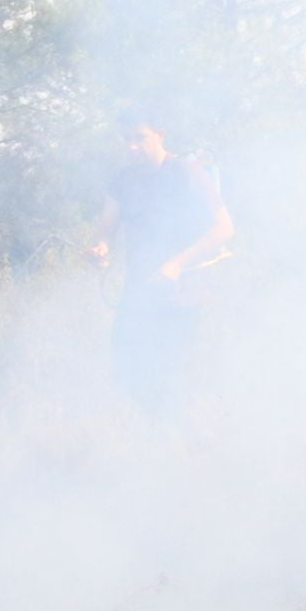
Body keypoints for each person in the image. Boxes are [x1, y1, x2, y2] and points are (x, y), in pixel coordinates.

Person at [90, 112, 235, 416]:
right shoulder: (123, 179)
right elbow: (107, 224)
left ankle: (177, 446)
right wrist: (101, 246)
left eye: (140, 138)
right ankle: (155, 439)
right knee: (126, 364)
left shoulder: (187, 173)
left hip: (181, 294)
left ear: (160, 134)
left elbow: (224, 228)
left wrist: (176, 265)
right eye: (126, 139)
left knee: (168, 377)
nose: (132, 146)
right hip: (137, 291)